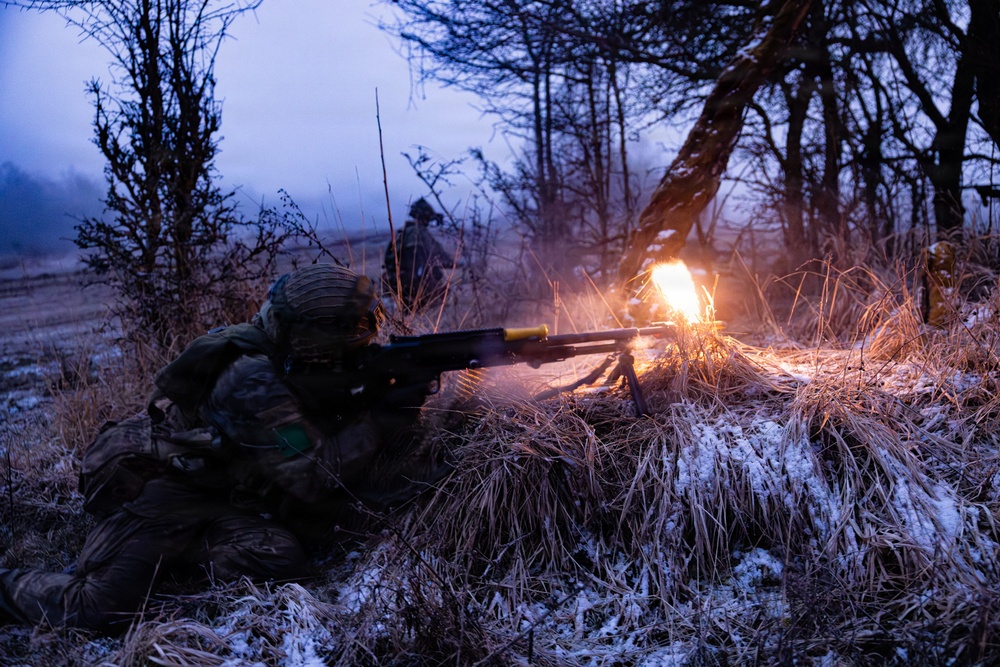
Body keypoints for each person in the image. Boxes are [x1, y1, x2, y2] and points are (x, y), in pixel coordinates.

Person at [0, 264, 447, 632]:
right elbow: (313, 475)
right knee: (101, 609)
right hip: (162, 489)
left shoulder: (291, 357)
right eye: (353, 336)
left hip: (223, 487)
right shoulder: (250, 377)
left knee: (282, 557)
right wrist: (384, 414)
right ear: (316, 339)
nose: (364, 341)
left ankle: (181, 559)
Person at [383, 198, 452, 309]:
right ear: (425, 217)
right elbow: (421, 260)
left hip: (400, 285)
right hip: (410, 287)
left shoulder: (407, 231)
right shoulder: (416, 232)